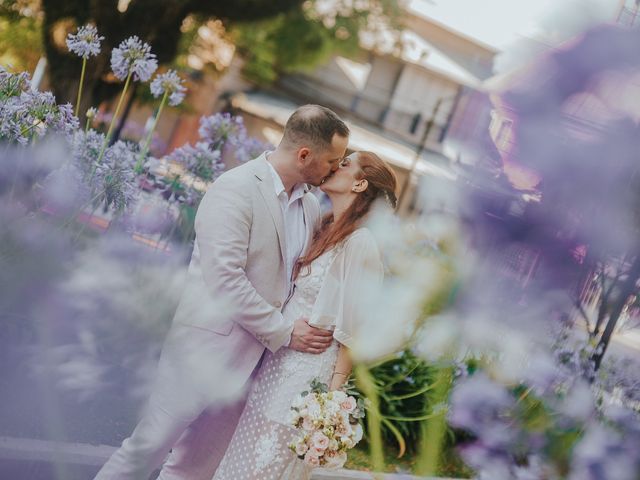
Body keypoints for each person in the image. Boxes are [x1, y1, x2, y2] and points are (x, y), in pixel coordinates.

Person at [94, 105, 350, 480]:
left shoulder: (310, 205)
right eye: (332, 160)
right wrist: (284, 331)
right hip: (203, 352)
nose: (335, 169)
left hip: (258, 367)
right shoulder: (236, 187)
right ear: (304, 155)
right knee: (147, 449)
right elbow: (225, 280)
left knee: (196, 468)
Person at [212, 151, 398, 479]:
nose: (334, 165)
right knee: (239, 461)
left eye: (345, 163)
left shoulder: (361, 243)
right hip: (277, 363)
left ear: (359, 182)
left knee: (265, 466)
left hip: (306, 377)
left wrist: (330, 403)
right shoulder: (324, 226)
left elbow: (350, 333)